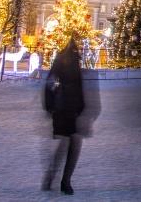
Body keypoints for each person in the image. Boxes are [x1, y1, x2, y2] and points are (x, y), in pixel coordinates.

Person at [43, 38, 95, 195]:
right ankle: (59, 178)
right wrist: (50, 105)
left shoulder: (80, 61)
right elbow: (50, 83)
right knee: (68, 144)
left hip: (75, 109)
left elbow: (83, 86)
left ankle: (64, 180)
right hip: (64, 108)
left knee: (73, 144)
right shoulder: (63, 60)